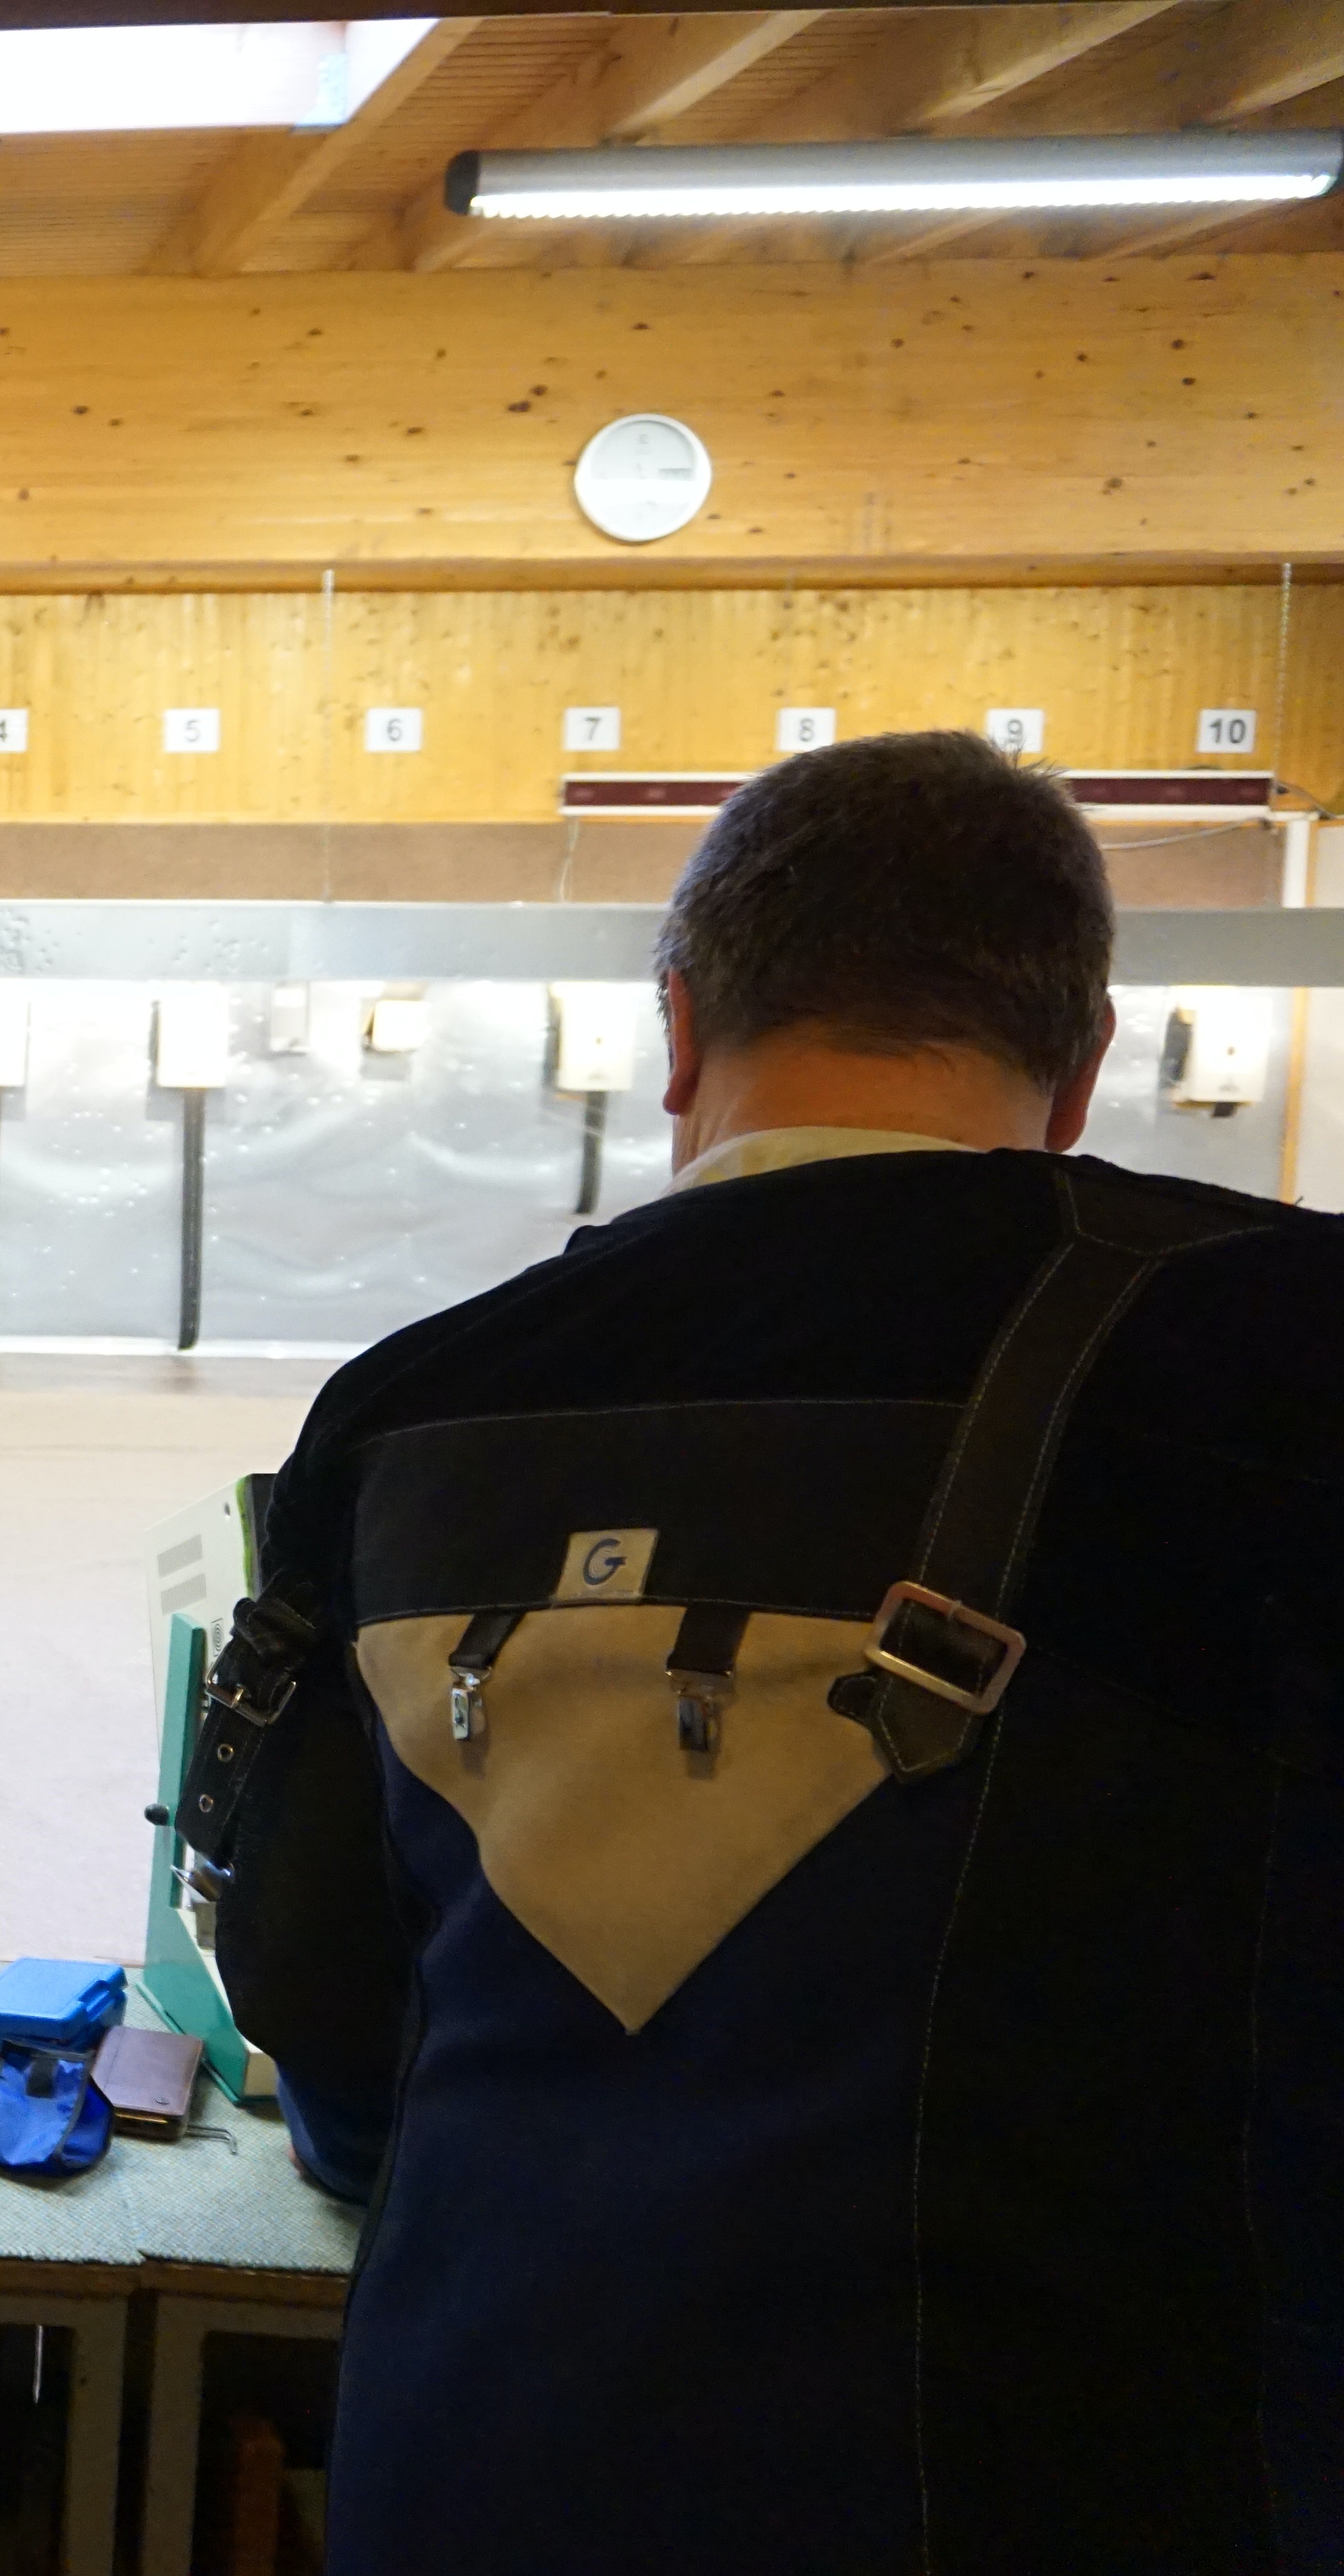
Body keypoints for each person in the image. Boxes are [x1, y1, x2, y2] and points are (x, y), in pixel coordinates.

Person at [189, 732, 1342, 2573]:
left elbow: (314, 1974)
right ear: (1086, 1064)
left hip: (486, 2462)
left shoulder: (414, 1405)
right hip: (1083, 2483)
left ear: (677, 1029)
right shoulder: (1288, 1356)